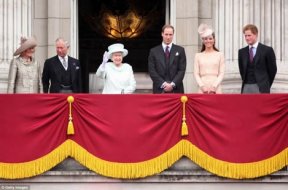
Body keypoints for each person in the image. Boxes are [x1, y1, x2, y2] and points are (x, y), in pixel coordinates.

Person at [238, 24, 277, 93]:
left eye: (249, 35)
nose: (247, 38)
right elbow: (242, 71)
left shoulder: (267, 50)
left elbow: (272, 70)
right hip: (246, 86)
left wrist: (266, 84)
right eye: (245, 36)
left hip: (262, 87)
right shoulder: (241, 52)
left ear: (256, 34)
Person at [148, 24, 186, 93]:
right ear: (162, 34)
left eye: (170, 34)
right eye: (166, 34)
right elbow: (152, 71)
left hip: (176, 90)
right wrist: (163, 84)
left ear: (173, 35)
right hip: (159, 90)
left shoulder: (180, 50)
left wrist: (172, 84)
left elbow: (182, 70)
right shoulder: (153, 51)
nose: (168, 37)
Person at [194, 24, 225, 94]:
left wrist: (214, 86)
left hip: (216, 87)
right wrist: (202, 86)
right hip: (202, 87)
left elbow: (221, 73)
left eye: (210, 38)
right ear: (203, 40)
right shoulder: (198, 56)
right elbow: (196, 73)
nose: (208, 41)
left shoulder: (220, 55)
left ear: (214, 40)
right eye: (205, 39)